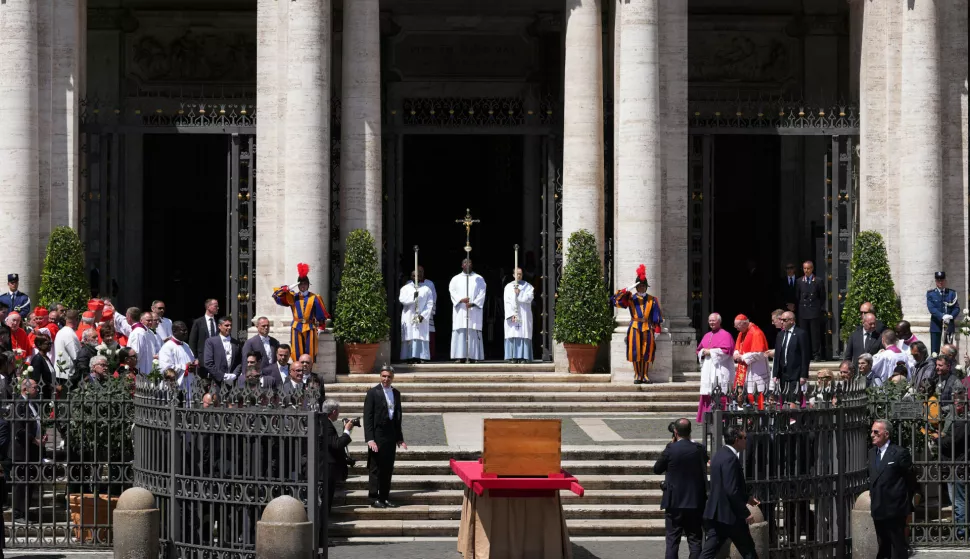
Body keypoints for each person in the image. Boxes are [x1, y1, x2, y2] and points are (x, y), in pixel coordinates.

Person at [700, 426, 760, 559]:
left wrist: (747, 498)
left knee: (709, 551)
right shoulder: (730, 459)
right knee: (748, 551)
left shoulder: (719, 454)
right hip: (730, 515)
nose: (746, 441)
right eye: (744, 438)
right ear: (736, 440)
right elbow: (731, 490)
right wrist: (745, 512)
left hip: (717, 513)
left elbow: (725, 485)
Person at [654, 418, 708, 559]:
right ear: (690, 431)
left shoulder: (671, 449)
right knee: (695, 540)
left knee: (672, 540)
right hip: (695, 502)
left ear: (675, 432)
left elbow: (657, 469)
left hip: (674, 501)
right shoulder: (699, 449)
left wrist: (670, 446)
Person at [868, 419, 915, 559]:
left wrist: (904, 501)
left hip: (895, 509)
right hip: (878, 508)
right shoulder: (871, 453)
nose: (872, 434)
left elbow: (911, 479)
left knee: (898, 547)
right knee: (883, 546)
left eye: (876, 432)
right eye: (871, 431)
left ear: (886, 434)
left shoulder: (900, 453)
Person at [612, 265, 664, 384]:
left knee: (647, 351)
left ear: (646, 287)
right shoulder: (630, 298)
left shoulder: (652, 299)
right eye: (639, 286)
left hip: (647, 327)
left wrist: (657, 330)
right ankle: (637, 375)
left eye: (643, 286)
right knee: (635, 351)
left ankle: (645, 375)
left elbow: (656, 316)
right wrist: (628, 288)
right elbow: (616, 300)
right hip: (635, 326)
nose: (641, 288)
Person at [363, 366, 406, 508]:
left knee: (388, 468)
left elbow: (398, 417)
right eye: (384, 376)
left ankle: (384, 496)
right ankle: (374, 497)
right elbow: (367, 417)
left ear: (392, 378)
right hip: (377, 434)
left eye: (389, 377)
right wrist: (370, 438)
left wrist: (399, 438)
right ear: (380, 377)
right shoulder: (372, 393)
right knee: (376, 468)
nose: (386, 379)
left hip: (390, 435)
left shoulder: (396, 393)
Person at [272, 264, 330, 364]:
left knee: (310, 352)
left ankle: (309, 374)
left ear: (308, 285)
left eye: (305, 284)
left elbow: (321, 314)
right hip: (296, 327)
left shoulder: (314, 297)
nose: (303, 286)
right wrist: (286, 289)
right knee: (296, 352)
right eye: (301, 284)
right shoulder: (292, 296)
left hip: (310, 327)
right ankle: (297, 373)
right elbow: (276, 296)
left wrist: (321, 327)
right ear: (298, 285)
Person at [11, 379, 43, 524]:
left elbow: (33, 424)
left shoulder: (31, 404)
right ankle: (18, 514)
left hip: (32, 450)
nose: (37, 390)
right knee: (22, 482)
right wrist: (34, 439)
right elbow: (19, 430)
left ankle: (25, 512)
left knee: (29, 482)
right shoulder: (19, 404)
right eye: (35, 387)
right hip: (22, 451)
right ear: (25, 389)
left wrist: (40, 436)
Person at [939, 386, 967, 538]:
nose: (955, 405)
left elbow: (952, 442)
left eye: (958, 401)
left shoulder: (962, 422)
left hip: (958, 465)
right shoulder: (957, 419)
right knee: (957, 499)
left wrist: (939, 440)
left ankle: (961, 532)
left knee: (958, 501)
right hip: (955, 465)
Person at [697, 313, 734, 421]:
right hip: (708, 367)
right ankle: (707, 416)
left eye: (714, 321)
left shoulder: (726, 335)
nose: (712, 323)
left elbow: (727, 351)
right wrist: (703, 352)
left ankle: (721, 417)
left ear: (719, 322)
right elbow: (699, 350)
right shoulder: (707, 335)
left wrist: (711, 351)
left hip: (719, 368)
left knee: (720, 391)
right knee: (707, 392)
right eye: (710, 321)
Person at [448, 259, 486, 362]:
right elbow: (452, 291)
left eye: (469, 262)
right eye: (465, 263)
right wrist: (461, 299)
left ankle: (474, 356)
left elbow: (482, 292)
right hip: (460, 310)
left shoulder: (479, 278)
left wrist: (473, 303)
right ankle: (460, 356)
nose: (467, 264)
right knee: (460, 332)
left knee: (472, 331)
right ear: (462, 265)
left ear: (472, 265)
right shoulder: (455, 279)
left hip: (473, 310)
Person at [322, 399, 354, 514]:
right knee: (327, 496)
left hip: (327, 465)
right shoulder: (327, 424)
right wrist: (347, 431)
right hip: (328, 466)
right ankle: (324, 523)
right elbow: (336, 444)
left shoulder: (323, 421)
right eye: (338, 411)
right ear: (334, 411)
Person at [771, 311, 811, 402]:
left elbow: (805, 355)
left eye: (784, 320)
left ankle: (793, 416)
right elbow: (777, 355)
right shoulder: (780, 335)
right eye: (781, 320)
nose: (782, 322)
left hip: (795, 373)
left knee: (793, 399)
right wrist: (775, 373)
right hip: (783, 373)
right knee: (784, 398)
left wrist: (803, 375)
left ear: (792, 321)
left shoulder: (800, 334)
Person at [732, 315, 769, 409]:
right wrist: (736, 354)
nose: (736, 329)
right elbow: (738, 347)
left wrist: (743, 357)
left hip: (756, 369)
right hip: (746, 368)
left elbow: (759, 353)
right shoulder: (742, 332)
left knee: (758, 393)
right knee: (749, 393)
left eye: (737, 326)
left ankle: (760, 418)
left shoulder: (756, 333)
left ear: (744, 323)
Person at [398, 272, 434, 363]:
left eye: (419, 275)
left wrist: (423, 315)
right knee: (410, 335)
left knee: (419, 335)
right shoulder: (405, 288)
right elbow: (402, 300)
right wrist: (413, 297)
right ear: (411, 276)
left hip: (421, 316)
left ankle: (419, 356)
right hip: (409, 315)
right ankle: (409, 356)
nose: (417, 277)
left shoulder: (427, 289)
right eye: (414, 275)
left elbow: (429, 304)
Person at [503, 267, 536, 363]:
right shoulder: (508, 287)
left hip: (524, 314)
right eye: (517, 274)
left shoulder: (528, 286)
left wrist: (520, 293)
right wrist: (511, 314)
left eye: (520, 274)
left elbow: (529, 298)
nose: (518, 276)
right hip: (513, 315)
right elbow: (507, 302)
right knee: (513, 333)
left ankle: (523, 357)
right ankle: (513, 356)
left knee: (523, 333)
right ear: (513, 275)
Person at [795, 260, 825, 360]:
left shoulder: (818, 281)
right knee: (803, 334)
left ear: (812, 269)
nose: (806, 270)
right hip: (803, 311)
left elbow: (822, 297)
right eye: (805, 268)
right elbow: (797, 296)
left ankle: (816, 354)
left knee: (815, 334)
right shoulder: (799, 281)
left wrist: (817, 307)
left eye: (808, 268)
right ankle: (805, 354)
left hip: (814, 311)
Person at [927, 271, 961, 356]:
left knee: (948, 350)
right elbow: (932, 308)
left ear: (945, 281)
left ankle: (948, 367)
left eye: (942, 280)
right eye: (938, 280)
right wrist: (942, 316)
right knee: (935, 351)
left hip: (949, 325)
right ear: (936, 281)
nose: (940, 282)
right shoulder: (931, 294)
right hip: (936, 325)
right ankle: (934, 367)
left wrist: (951, 316)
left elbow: (956, 308)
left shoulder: (952, 293)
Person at [158, 321, 198, 392]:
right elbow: (166, 368)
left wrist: (193, 366)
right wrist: (185, 367)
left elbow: (191, 362)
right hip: (174, 386)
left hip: (189, 383)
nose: (186, 332)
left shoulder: (186, 345)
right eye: (183, 330)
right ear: (174, 331)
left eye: (186, 330)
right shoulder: (167, 347)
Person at [202, 317, 242, 386]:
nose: (229, 327)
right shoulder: (211, 342)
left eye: (230, 325)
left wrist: (234, 375)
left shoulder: (236, 343)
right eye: (226, 325)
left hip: (233, 382)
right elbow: (208, 363)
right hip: (216, 382)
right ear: (219, 326)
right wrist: (222, 376)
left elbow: (240, 361)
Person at [189, 299, 219, 378]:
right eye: (215, 306)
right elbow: (193, 341)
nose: (218, 308)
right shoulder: (198, 322)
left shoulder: (218, 322)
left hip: (216, 358)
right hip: (202, 359)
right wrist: (194, 358)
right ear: (208, 307)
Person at [54, 310, 82, 383]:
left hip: (60, 372)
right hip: (67, 375)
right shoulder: (70, 334)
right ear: (77, 319)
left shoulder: (61, 331)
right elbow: (76, 355)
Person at [417, 267, 438, 358]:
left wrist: (427, 312)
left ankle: (429, 355)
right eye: (417, 272)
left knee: (428, 334)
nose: (419, 274)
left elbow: (433, 298)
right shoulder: (409, 284)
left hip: (427, 313)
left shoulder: (429, 283)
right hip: (414, 313)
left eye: (421, 272)